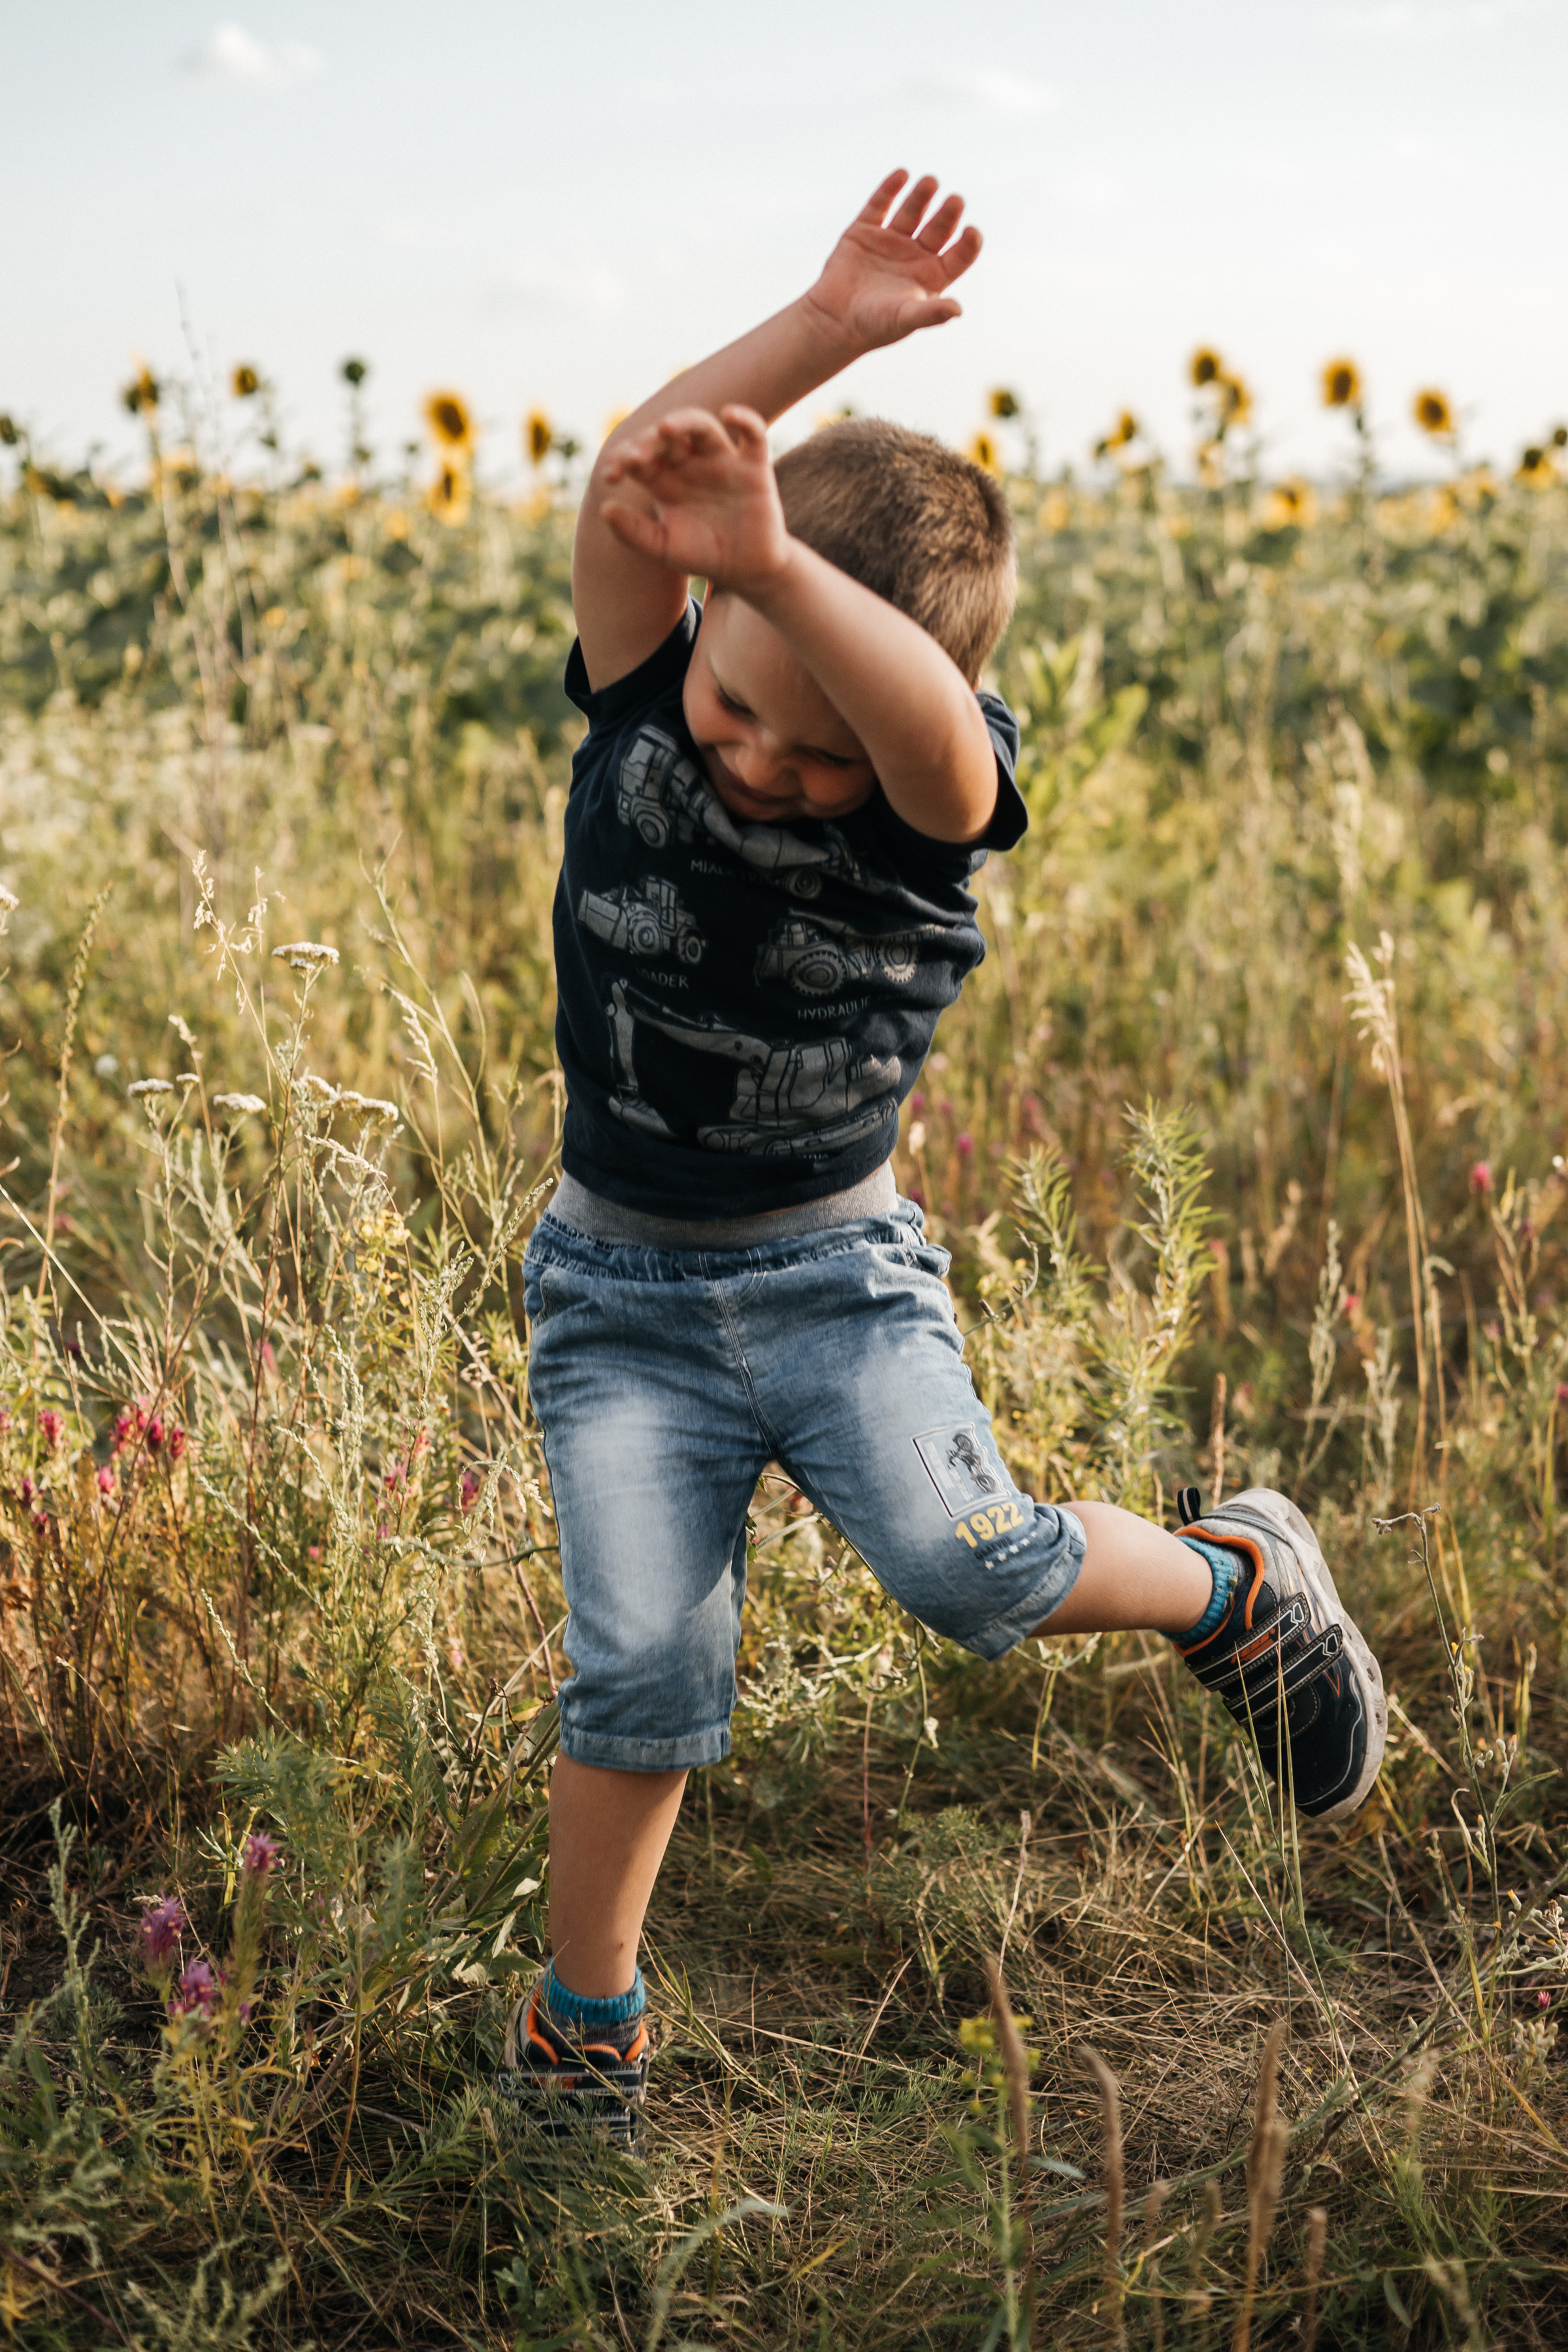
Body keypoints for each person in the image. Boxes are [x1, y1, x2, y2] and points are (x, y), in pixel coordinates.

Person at [496, 171, 1386, 2143]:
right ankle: (584, 2028)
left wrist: (798, 593)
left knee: (974, 1568)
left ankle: (1237, 1585)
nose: (754, 763)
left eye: (801, 749)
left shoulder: (917, 796)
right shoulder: (664, 673)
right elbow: (638, 492)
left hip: (832, 1278)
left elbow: (922, 743)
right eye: (734, 708)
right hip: (618, 1283)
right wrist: (821, 337)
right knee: (638, 1664)